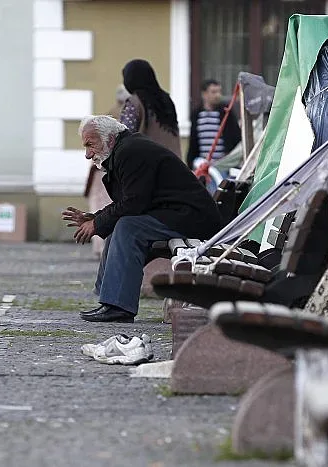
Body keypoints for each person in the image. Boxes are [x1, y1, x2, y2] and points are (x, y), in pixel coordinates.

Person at [63, 115, 224, 323]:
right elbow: (130, 201)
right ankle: (109, 301)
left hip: (193, 219)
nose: (87, 154)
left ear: (110, 139)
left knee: (128, 227)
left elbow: (134, 203)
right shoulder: (126, 149)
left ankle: (118, 306)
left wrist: (97, 223)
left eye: (90, 145)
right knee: (121, 226)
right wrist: (97, 218)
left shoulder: (130, 151)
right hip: (178, 215)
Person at [84, 84, 131, 259]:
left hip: (103, 168)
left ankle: (100, 246)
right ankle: (104, 245)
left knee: (101, 203)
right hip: (108, 167)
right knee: (107, 203)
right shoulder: (126, 116)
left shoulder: (110, 114)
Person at [118, 59, 182, 157]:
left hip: (147, 162)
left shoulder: (134, 102)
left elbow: (124, 137)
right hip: (173, 161)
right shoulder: (166, 100)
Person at [186, 79, 241, 171]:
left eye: (219, 92)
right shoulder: (196, 114)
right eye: (214, 92)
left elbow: (235, 137)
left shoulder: (226, 113)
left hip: (222, 164)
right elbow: (193, 141)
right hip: (202, 164)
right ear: (204, 94)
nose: (217, 95)